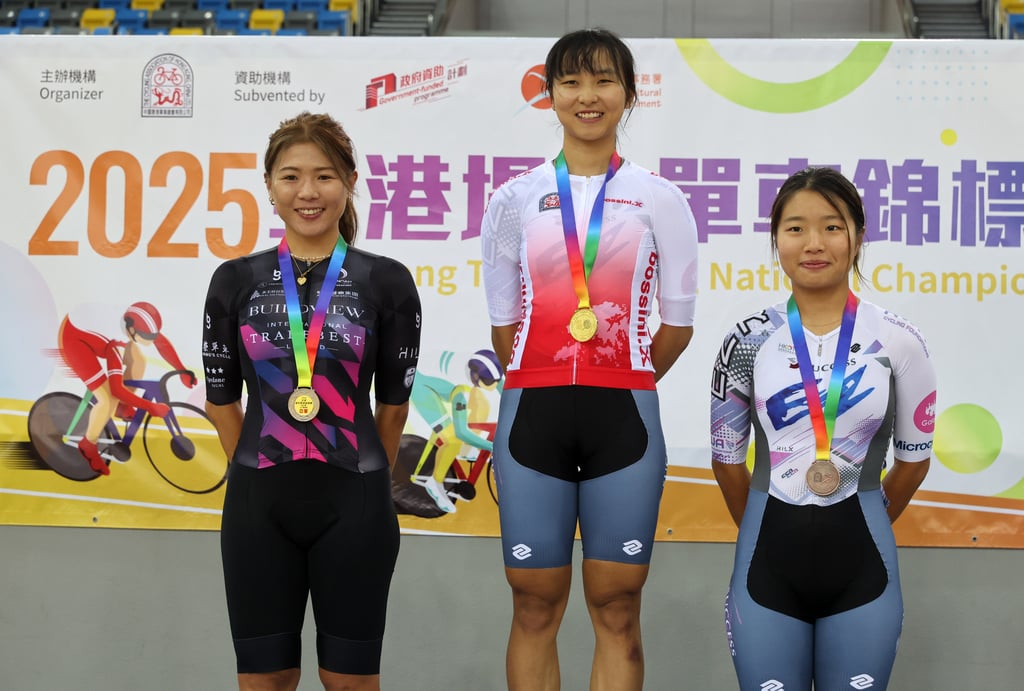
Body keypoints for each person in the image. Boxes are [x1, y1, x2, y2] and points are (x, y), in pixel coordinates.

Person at [481, 29, 699, 691]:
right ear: (549, 95)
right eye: (572, 81)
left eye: (604, 80)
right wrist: (549, 373)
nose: (588, 96)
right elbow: (504, 328)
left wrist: (621, 373)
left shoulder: (662, 198)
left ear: (628, 95)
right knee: (533, 603)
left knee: (618, 605)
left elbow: (677, 326)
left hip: (624, 416)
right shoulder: (512, 200)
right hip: (531, 410)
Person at [202, 112, 421, 691]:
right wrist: (253, 470)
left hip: (356, 503)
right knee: (264, 681)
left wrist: (363, 471)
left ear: (348, 181)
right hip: (257, 505)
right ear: (269, 187)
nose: (308, 192)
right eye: (291, 176)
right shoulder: (234, 280)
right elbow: (222, 400)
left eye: (324, 176)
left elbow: (393, 406)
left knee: (348, 681)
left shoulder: (387, 281)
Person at [710, 167, 936, 690]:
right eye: (795, 228)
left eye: (832, 227)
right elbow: (726, 462)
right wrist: (766, 525)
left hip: (864, 564)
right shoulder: (745, 341)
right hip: (766, 562)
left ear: (858, 236)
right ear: (776, 240)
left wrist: (861, 516)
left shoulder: (902, 342)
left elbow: (914, 461)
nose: (814, 243)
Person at [58, 301, 196, 476]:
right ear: (131, 330)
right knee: (107, 399)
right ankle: (88, 444)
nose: (150, 341)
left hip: (90, 322)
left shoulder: (133, 320)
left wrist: (181, 370)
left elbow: (158, 340)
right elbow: (117, 389)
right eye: (145, 337)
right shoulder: (115, 346)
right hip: (75, 338)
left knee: (139, 360)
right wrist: (150, 407)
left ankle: (122, 406)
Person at [409, 349, 503, 514]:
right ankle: (435, 482)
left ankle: (465, 451)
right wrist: (492, 447)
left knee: (478, 408)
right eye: (488, 382)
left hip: (433, 384)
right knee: (453, 439)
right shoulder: (462, 392)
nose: (492, 385)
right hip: (423, 393)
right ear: (475, 377)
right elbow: (461, 432)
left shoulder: (482, 370)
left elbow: (500, 384)